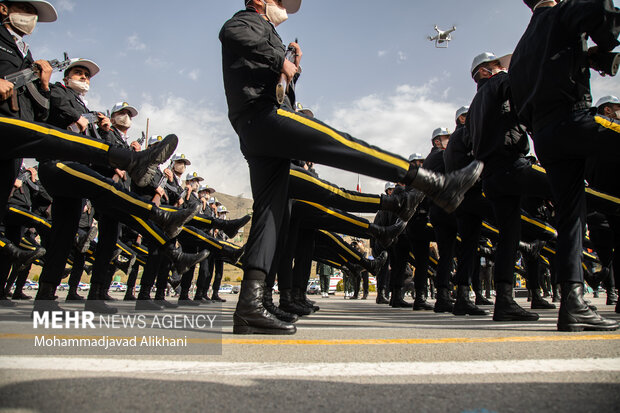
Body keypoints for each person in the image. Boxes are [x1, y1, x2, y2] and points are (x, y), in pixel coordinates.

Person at [220, 0, 483, 334]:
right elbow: (230, 33)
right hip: (265, 119)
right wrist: (280, 60)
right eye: (280, 1)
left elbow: (277, 84)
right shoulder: (246, 21)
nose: (285, 7)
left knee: (269, 217)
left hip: (257, 128)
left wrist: (290, 66)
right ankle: (433, 183)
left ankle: (250, 304)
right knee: (342, 143)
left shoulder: (265, 31)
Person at [509, 0, 619, 331]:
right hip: (574, 118)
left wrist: (583, 56)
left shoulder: (520, 51)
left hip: (543, 137)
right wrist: (604, 44)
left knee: (571, 217)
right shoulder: (561, 13)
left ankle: (573, 303)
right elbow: (605, 9)